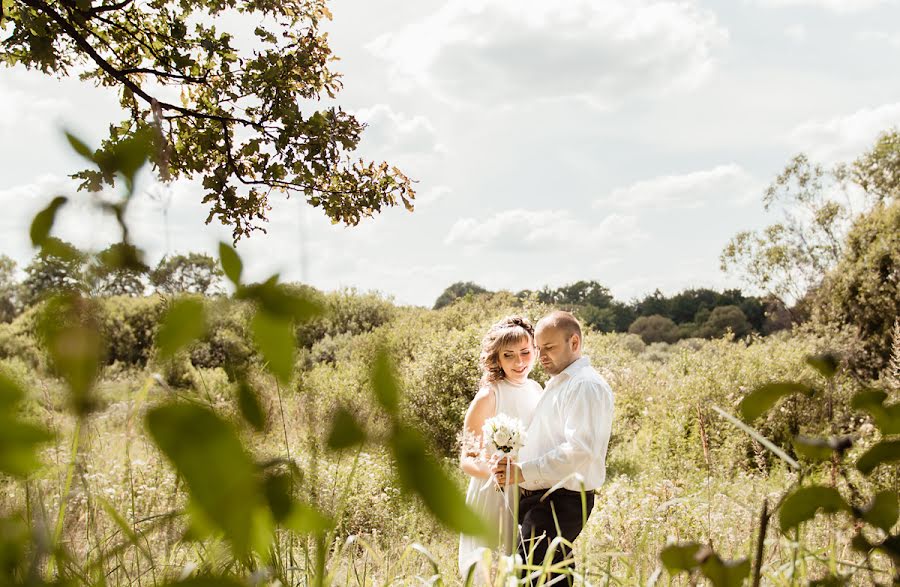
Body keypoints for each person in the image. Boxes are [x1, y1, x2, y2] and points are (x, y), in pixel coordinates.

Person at [492, 311, 614, 585]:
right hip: (543, 497)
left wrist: (525, 471)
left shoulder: (585, 385)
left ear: (574, 343)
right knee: (547, 577)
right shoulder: (560, 383)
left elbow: (581, 449)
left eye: (549, 347)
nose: (542, 355)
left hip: (561, 499)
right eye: (539, 348)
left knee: (536, 576)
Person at [458, 315, 544, 581]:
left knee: (520, 569)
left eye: (525, 353)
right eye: (509, 356)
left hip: (527, 490)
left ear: (535, 350)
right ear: (497, 358)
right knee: (491, 570)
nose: (519, 363)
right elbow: (467, 459)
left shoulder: (536, 388)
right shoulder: (489, 395)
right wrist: (494, 472)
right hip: (492, 495)